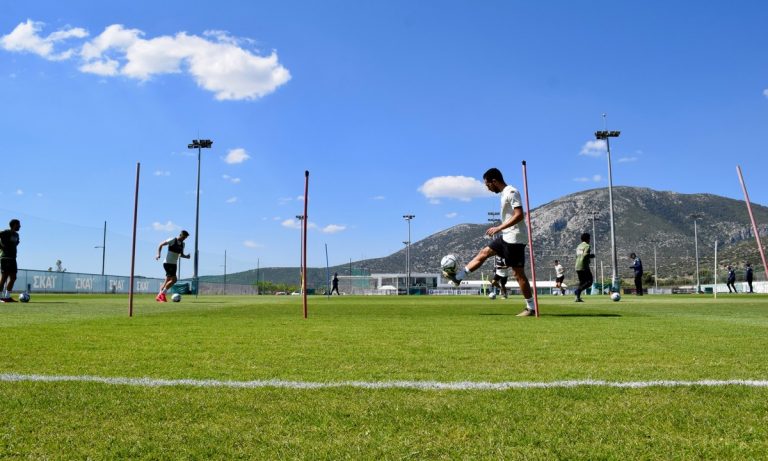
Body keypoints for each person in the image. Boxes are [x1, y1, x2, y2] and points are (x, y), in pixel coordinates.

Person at [443, 168, 535, 316]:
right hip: (507, 236)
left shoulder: (512, 192)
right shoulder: (504, 194)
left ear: (494, 181)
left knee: (518, 274)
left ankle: (531, 308)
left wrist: (499, 227)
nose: (488, 188)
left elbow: (519, 215)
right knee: (484, 252)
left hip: (515, 239)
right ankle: (458, 278)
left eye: (488, 185)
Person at [155, 230, 190, 302]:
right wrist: (158, 254)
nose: (184, 239)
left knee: (167, 280)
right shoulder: (173, 240)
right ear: (180, 235)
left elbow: (181, 255)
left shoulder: (183, 244)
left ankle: (159, 296)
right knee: (174, 280)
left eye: (185, 238)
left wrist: (186, 256)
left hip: (174, 264)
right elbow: (160, 245)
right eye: (183, 237)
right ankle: (162, 294)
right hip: (168, 263)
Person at [0, 219, 21, 303]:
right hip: (5, 258)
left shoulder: (16, 234)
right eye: (18, 225)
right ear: (14, 225)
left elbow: (16, 243)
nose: (20, 226)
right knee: (4, 277)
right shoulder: (6, 232)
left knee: (13, 277)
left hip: (13, 258)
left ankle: (7, 297)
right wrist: (1, 246)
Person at [574, 232, 595, 303]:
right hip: (584, 266)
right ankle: (578, 291)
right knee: (589, 282)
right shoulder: (587, 246)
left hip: (577, 265)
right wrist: (591, 256)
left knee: (582, 282)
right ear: (587, 239)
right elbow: (585, 255)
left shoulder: (578, 246)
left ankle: (577, 297)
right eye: (589, 238)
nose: (590, 240)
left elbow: (577, 256)